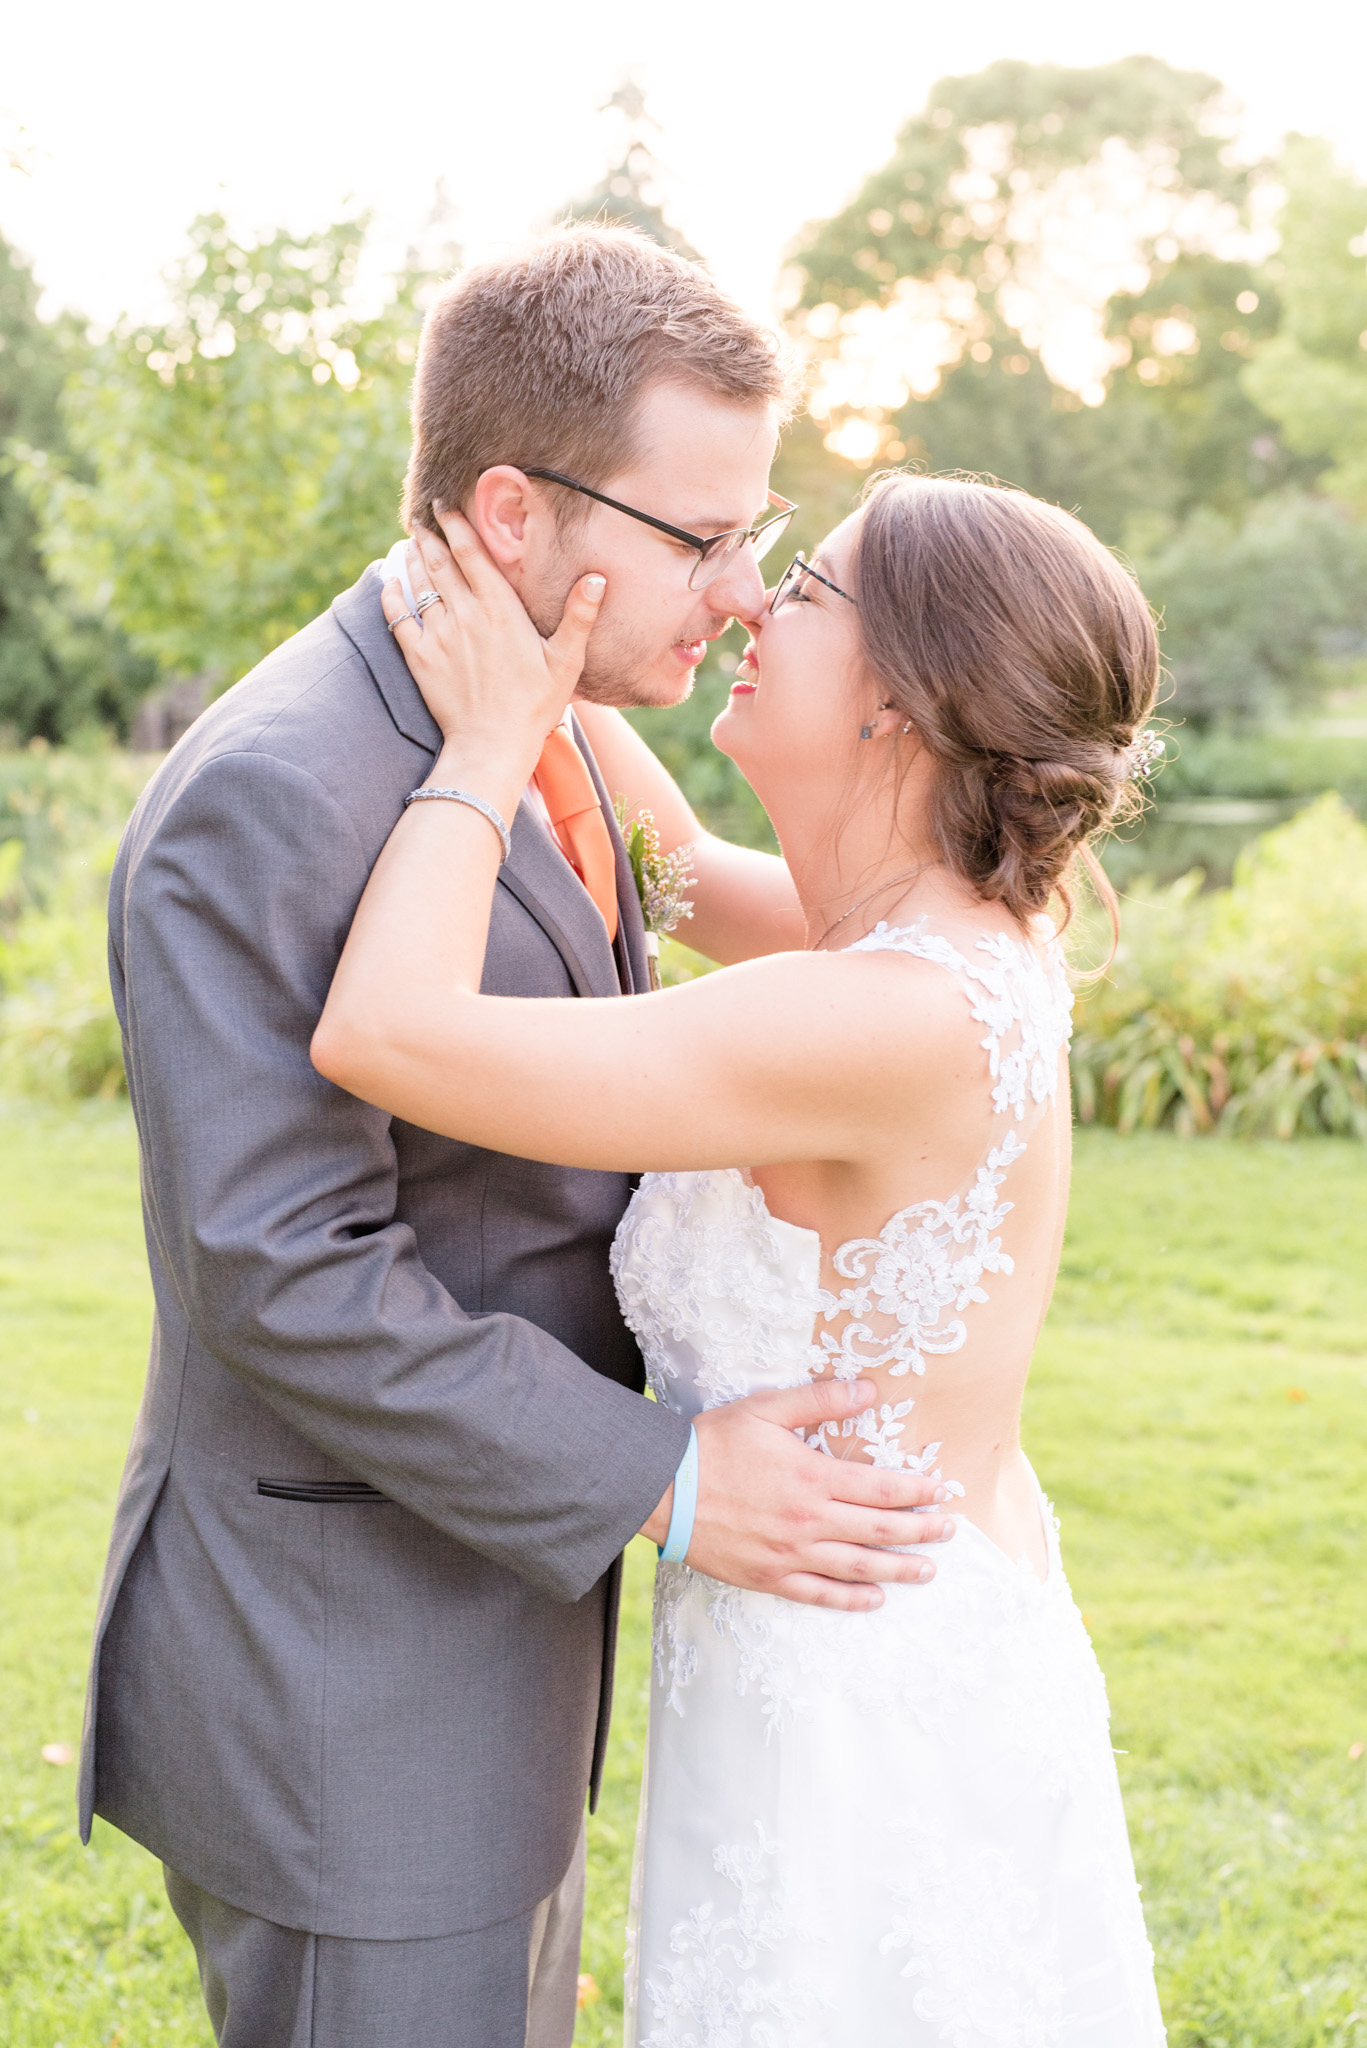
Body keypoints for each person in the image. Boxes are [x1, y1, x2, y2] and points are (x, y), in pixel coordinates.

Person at [81, 227, 960, 2048]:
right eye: (701, 539)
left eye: (758, 534)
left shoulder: (531, 715)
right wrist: (678, 1479)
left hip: (487, 1642)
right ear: (510, 511)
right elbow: (283, 1273)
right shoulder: (280, 794)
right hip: (349, 1689)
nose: (738, 593)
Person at [312, 468, 1170, 2045]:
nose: (754, 603)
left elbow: (383, 1031)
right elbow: (679, 864)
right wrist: (549, 623)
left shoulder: (870, 1016)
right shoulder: (945, 938)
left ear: (902, 703)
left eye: (808, 589)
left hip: (853, 1709)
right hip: (896, 1625)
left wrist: (493, 743)